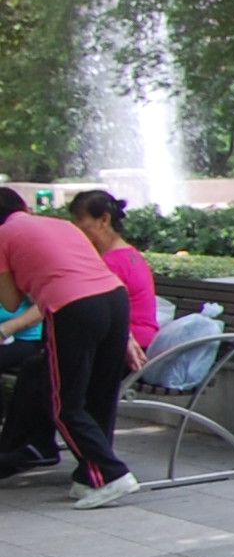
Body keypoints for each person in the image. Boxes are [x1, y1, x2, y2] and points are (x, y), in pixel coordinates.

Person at [0, 188, 141, 506]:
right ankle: (90, 477)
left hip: (74, 308)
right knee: (99, 395)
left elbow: (10, 301)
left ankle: (114, 473)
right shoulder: (60, 224)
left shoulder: (3, 236)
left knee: (64, 403)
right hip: (115, 300)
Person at [66, 189, 159, 370]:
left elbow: (94, 311)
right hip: (138, 341)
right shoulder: (128, 253)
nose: (75, 226)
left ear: (104, 219)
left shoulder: (112, 263)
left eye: (80, 219)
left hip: (129, 347)